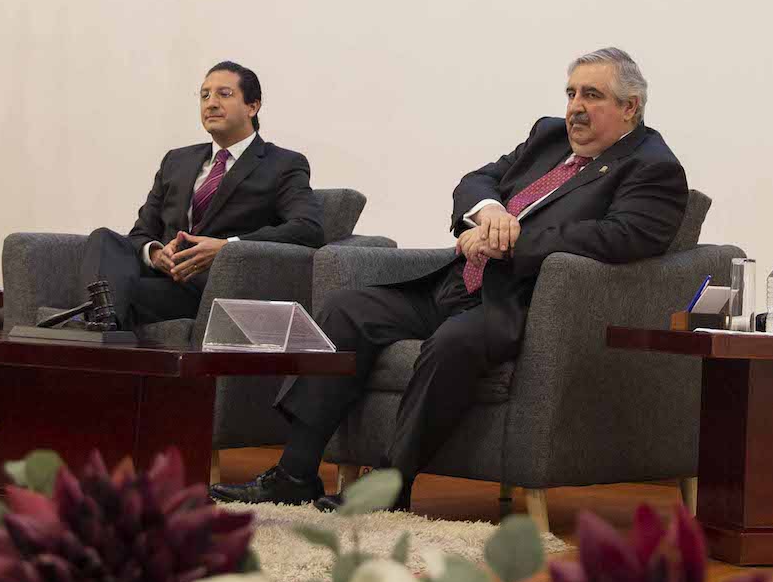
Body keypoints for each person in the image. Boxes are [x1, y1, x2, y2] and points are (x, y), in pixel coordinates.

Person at [212, 47, 687, 510]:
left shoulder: (654, 167)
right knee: (346, 310)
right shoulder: (548, 136)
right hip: (458, 279)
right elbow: (475, 181)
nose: (575, 108)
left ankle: (392, 485)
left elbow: (622, 238)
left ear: (630, 107)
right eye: (571, 93)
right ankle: (295, 473)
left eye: (592, 96)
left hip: (524, 303)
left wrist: (508, 241)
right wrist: (492, 212)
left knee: (451, 343)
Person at [84, 61, 324, 331]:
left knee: (111, 296)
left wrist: (226, 248)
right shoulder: (176, 161)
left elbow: (308, 228)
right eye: (205, 95)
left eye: (224, 94)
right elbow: (141, 232)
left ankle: (95, 325)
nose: (211, 103)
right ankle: (103, 325)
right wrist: (155, 253)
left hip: (208, 288)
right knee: (104, 239)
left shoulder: (282, 164)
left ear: (252, 106)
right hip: (160, 276)